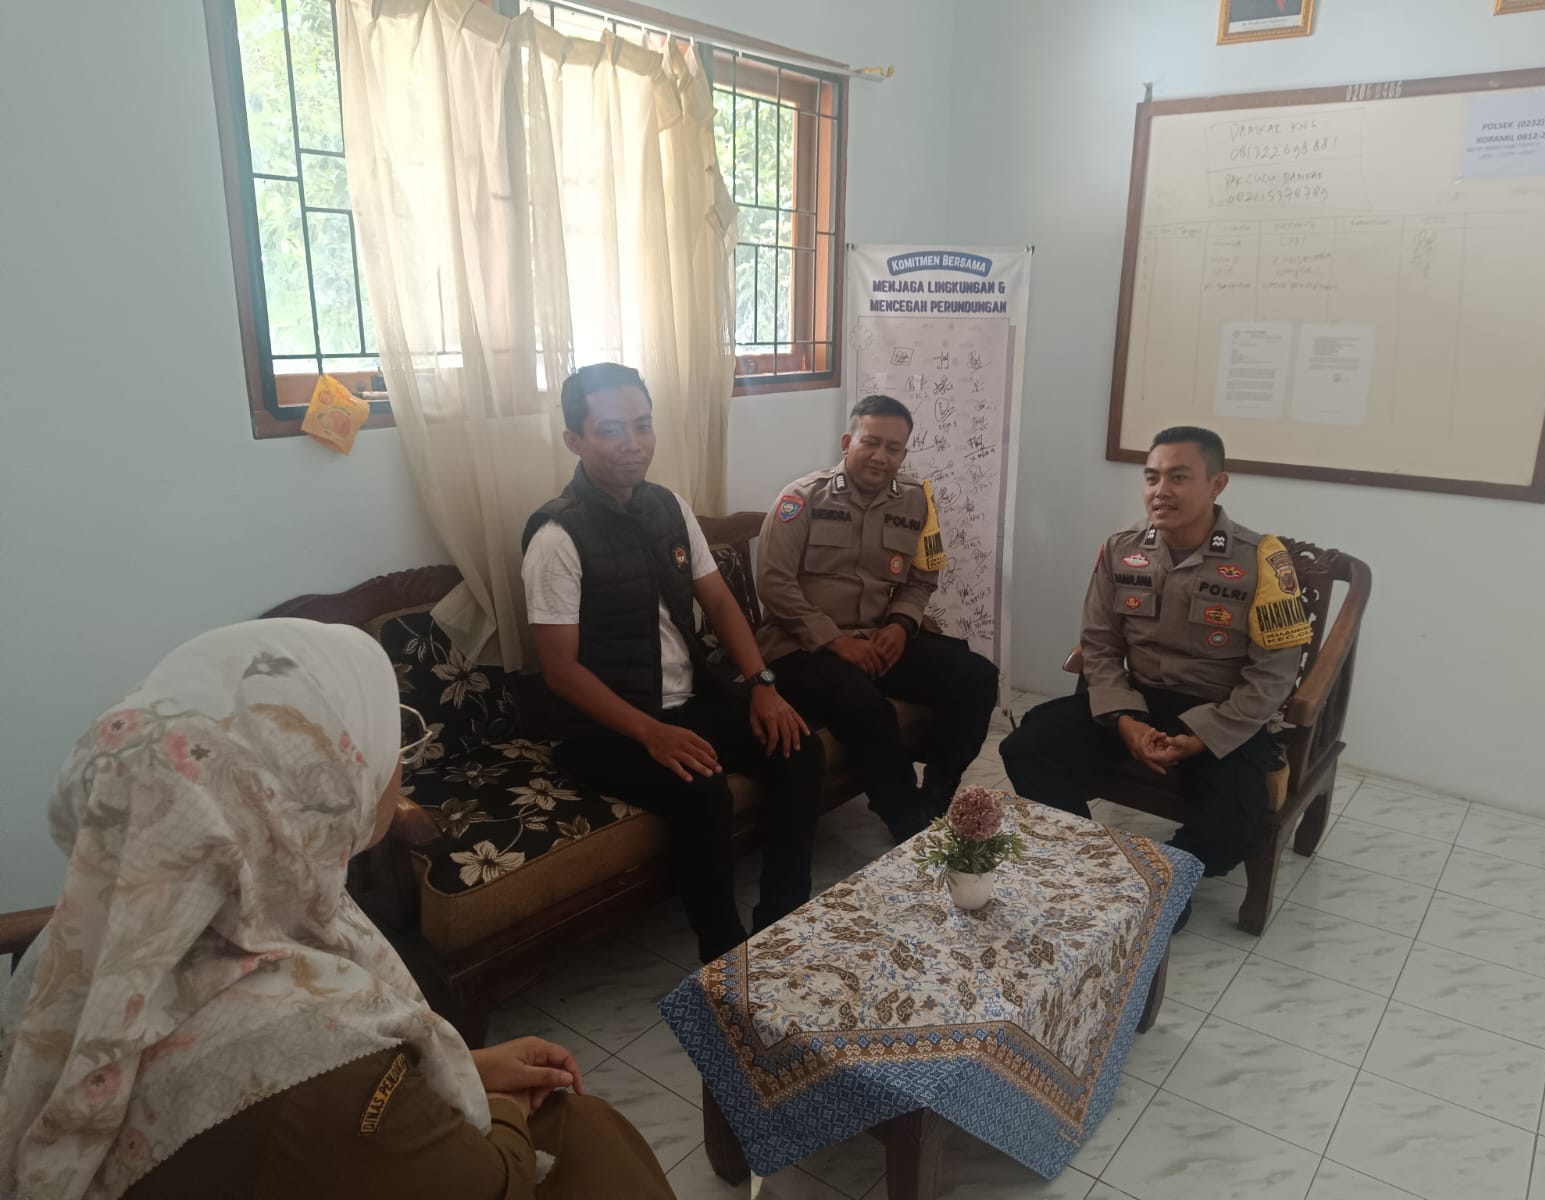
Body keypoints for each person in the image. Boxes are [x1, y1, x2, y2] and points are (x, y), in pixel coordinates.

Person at [0, 618, 674, 1200]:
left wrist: (460, 1065)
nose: (395, 765)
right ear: (304, 786)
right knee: (585, 1128)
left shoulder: (68, 953)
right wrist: (497, 1107)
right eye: (382, 738)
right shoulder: (308, 1062)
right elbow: (479, 1183)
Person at [521, 363, 822, 964]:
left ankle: (781, 916)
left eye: (643, 425)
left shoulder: (669, 507)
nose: (632, 443)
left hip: (688, 701)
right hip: (602, 728)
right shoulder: (556, 537)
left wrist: (763, 685)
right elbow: (560, 671)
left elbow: (719, 600)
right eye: (610, 430)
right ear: (574, 440)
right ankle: (724, 955)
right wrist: (651, 733)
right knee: (702, 792)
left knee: (798, 746)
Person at [1000, 426, 1312, 892]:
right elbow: (1099, 644)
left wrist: (1201, 737)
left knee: (1228, 829)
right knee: (1027, 748)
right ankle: (1090, 864)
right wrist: (1125, 719)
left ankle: (1154, 888)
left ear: (1217, 484)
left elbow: (1274, 673)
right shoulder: (1122, 549)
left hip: (1219, 714)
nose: (1160, 491)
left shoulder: (1261, 560)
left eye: (1178, 477)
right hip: (1137, 700)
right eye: (1152, 478)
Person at [755, 395, 1000, 843]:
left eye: (893, 447)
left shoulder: (916, 501)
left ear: (904, 453)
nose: (881, 456)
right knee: (864, 702)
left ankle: (937, 797)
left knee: (977, 677)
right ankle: (906, 818)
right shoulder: (801, 499)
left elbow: (922, 578)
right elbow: (774, 585)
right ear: (847, 442)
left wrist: (901, 625)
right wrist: (835, 641)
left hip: (875, 640)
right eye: (871, 443)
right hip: (800, 647)